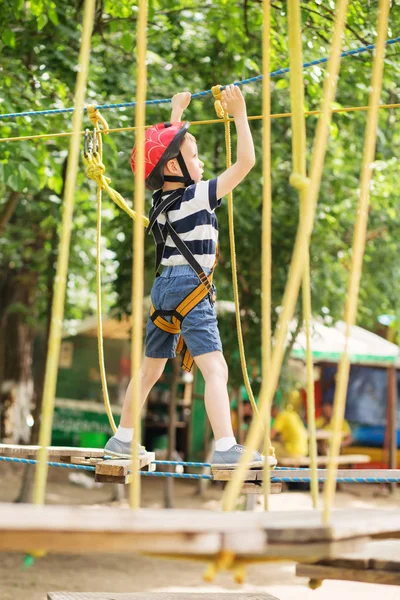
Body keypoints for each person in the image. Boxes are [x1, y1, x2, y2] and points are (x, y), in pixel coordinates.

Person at [105, 86, 276, 469]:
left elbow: (169, 155)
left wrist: (176, 111)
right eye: (194, 158)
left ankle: (123, 438)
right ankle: (226, 445)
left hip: (164, 288)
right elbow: (246, 161)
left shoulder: (160, 202)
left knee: (149, 370)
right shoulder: (198, 195)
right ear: (173, 168)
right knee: (215, 369)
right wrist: (241, 114)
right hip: (191, 288)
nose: (200, 165)